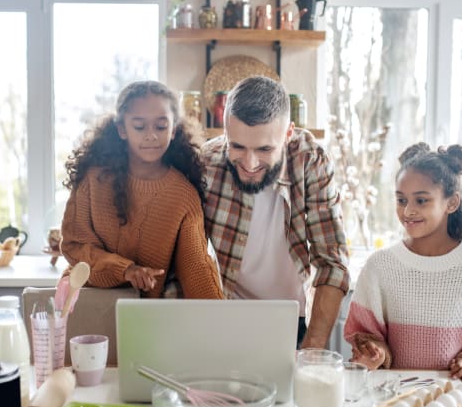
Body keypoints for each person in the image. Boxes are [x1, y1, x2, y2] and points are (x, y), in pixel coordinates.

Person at [343, 142, 462, 384]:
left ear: (452, 203)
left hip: (450, 397)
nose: (408, 211)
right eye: (401, 200)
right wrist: (375, 351)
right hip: (390, 395)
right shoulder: (379, 266)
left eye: (421, 201)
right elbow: (365, 332)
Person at [201, 76, 350, 348]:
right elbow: (187, 256)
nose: (249, 163)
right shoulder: (207, 164)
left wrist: (313, 349)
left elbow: (332, 262)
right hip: (227, 316)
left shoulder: (310, 161)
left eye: (265, 149)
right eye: (237, 146)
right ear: (225, 131)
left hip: (292, 319)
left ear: (288, 133)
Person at [61, 80, 224, 299]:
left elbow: (196, 267)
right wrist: (125, 270)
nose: (151, 135)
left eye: (160, 126)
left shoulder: (183, 195)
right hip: (85, 303)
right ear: (122, 129)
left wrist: (222, 317)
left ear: (174, 129)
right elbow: (74, 246)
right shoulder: (93, 179)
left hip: (142, 315)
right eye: (139, 126)